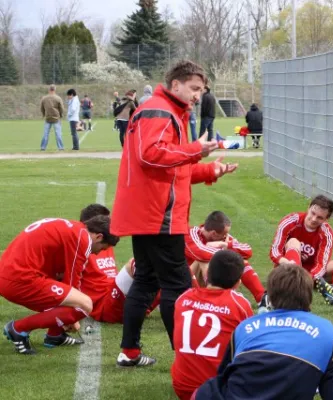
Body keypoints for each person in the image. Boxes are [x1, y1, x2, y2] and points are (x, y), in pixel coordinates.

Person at [111, 60, 236, 368]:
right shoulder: (160, 110)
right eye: (194, 89)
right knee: (178, 288)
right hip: (158, 217)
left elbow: (172, 168)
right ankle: (186, 358)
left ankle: (129, 352)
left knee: (146, 282)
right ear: (175, 84)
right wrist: (196, 149)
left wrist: (210, 170)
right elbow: (150, 156)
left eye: (201, 91)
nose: (197, 96)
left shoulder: (167, 111)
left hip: (150, 214)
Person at [194, 263, 333, 399]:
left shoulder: (246, 327)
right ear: (309, 297)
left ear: (271, 298)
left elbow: (224, 378)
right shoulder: (327, 331)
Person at [0, 216, 119, 354]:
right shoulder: (83, 240)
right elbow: (73, 283)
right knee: (84, 304)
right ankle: (18, 329)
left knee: (67, 291)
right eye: (102, 248)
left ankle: (55, 335)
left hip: (9, 274)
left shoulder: (75, 229)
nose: (98, 253)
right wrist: (71, 317)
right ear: (98, 237)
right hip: (19, 279)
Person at [171, 250, 253, 400]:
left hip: (182, 387)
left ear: (207, 273)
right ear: (238, 282)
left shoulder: (183, 298)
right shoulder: (239, 304)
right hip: (217, 390)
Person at [184, 211, 267, 308]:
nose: (226, 236)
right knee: (203, 260)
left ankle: (262, 298)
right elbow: (200, 253)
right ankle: (211, 299)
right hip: (186, 280)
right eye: (225, 233)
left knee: (239, 260)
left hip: (206, 280)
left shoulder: (222, 238)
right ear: (214, 233)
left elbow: (248, 251)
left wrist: (227, 245)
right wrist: (222, 250)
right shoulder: (190, 234)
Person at [270, 195, 333, 291]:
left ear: (326, 218)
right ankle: (293, 281)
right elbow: (275, 251)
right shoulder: (290, 221)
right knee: (293, 242)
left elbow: (321, 265)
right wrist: (287, 263)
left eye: (319, 217)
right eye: (313, 213)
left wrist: (307, 278)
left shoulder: (327, 233)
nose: (313, 219)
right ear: (308, 207)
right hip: (286, 269)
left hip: (310, 275)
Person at [40, 84, 65, 151]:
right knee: (58, 134)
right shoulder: (58, 98)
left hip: (47, 118)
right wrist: (61, 115)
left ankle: (43, 147)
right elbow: (62, 108)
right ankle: (61, 147)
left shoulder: (44, 98)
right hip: (56, 118)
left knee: (45, 134)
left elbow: (41, 108)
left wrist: (43, 114)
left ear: (49, 90)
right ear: (55, 90)